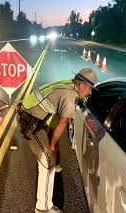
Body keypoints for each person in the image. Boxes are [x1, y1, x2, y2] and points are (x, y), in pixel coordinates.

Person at [17, 68, 97, 213]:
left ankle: (50, 167)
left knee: (51, 157)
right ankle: (43, 208)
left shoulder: (67, 84)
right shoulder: (70, 96)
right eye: (90, 88)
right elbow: (62, 123)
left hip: (33, 115)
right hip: (30, 122)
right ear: (83, 85)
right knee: (47, 162)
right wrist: (52, 145)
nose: (90, 92)